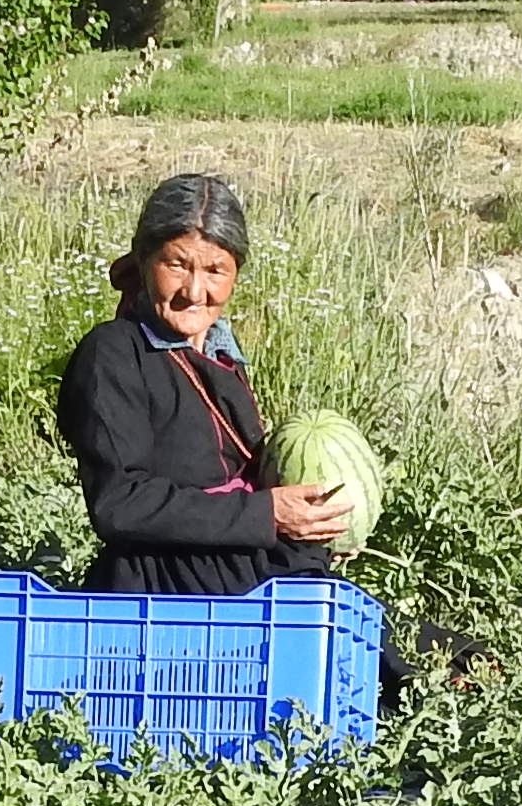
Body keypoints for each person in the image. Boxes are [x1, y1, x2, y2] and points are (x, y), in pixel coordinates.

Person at [60, 173, 351, 594]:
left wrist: (310, 521)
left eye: (216, 270)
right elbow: (119, 502)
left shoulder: (221, 355)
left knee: (428, 649)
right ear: (144, 260)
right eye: (177, 264)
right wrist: (264, 515)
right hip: (165, 587)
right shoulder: (114, 354)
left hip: (237, 571)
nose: (194, 291)